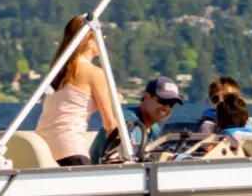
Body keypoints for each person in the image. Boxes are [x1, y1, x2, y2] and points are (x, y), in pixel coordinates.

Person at [33, 14, 121, 166]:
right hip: (70, 148)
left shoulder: (59, 71)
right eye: (100, 34)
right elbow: (110, 125)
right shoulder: (93, 73)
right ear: (89, 41)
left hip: (45, 146)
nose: (104, 38)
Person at [91, 74, 185, 162]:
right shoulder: (130, 124)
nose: (167, 107)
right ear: (147, 97)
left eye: (172, 104)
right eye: (163, 101)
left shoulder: (154, 129)